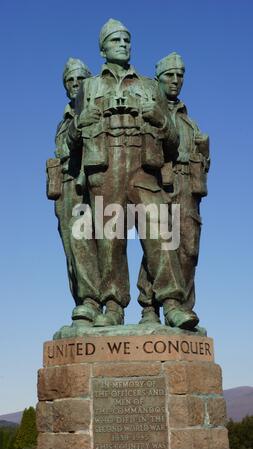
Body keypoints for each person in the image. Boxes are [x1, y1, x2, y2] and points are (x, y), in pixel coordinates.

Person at [68, 19, 193, 328]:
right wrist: (78, 123)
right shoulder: (90, 86)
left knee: (161, 233)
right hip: (105, 170)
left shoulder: (150, 86)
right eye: (115, 41)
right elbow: (72, 140)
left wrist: (160, 121)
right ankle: (112, 306)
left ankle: (172, 303)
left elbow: (173, 140)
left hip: (143, 168)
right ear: (102, 49)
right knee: (111, 242)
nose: (123, 44)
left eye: (126, 40)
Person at [138, 52, 210, 329]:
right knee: (158, 246)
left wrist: (203, 154)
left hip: (187, 188)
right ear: (158, 78)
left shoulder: (189, 121)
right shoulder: (151, 111)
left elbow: (205, 163)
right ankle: (150, 307)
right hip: (158, 182)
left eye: (180, 75)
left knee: (189, 250)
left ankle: (184, 309)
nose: (176, 80)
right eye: (170, 74)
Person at [48, 58, 101, 326]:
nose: (75, 84)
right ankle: (83, 304)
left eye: (80, 79)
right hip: (67, 188)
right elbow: (62, 151)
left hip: (95, 185)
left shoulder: (96, 110)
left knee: (96, 247)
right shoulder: (65, 119)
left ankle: (97, 302)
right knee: (73, 253)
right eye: (70, 80)